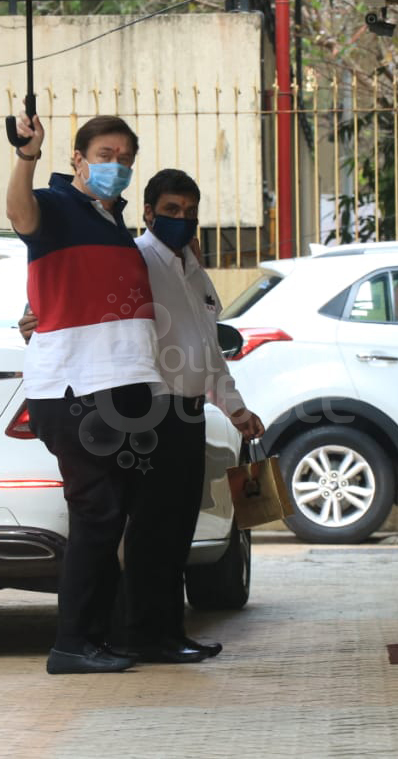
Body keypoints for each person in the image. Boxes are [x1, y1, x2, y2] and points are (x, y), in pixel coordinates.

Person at [6, 112, 164, 675]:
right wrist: (26, 155)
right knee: (97, 514)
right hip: (76, 388)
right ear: (77, 159)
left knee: (110, 516)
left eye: (125, 158)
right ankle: (72, 644)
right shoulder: (56, 206)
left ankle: (100, 636)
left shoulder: (113, 221)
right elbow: (19, 214)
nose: (116, 166)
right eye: (104, 156)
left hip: (119, 387)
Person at [122, 168, 263, 663]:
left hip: (189, 412)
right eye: (171, 211)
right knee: (152, 529)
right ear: (148, 213)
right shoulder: (135, 261)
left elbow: (208, 348)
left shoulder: (193, 268)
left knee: (180, 525)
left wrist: (236, 408)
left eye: (189, 212)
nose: (181, 220)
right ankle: (144, 634)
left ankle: (170, 632)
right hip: (150, 411)